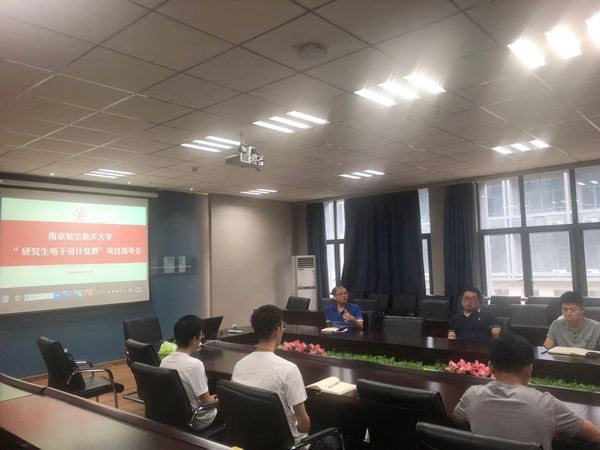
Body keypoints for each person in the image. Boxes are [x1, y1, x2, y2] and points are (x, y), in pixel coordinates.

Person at [453, 331, 600, 449]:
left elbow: (456, 418)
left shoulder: (472, 395)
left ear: (490, 366)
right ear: (529, 369)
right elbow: (594, 435)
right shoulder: (546, 403)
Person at [232, 305, 311, 444]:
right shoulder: (289, 370)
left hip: (252, 440)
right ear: (278, 330)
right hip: (287, 444)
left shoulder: (239, 366)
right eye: (283, 326)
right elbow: (304, 426)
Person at [160, 314, 218, 431]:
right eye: (201, 335)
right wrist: (217, 401)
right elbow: (206, 402)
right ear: (194, 340)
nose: (202, 338)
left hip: (175, 417)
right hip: (198, 420)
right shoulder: (195, 365)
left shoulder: (164, 362)